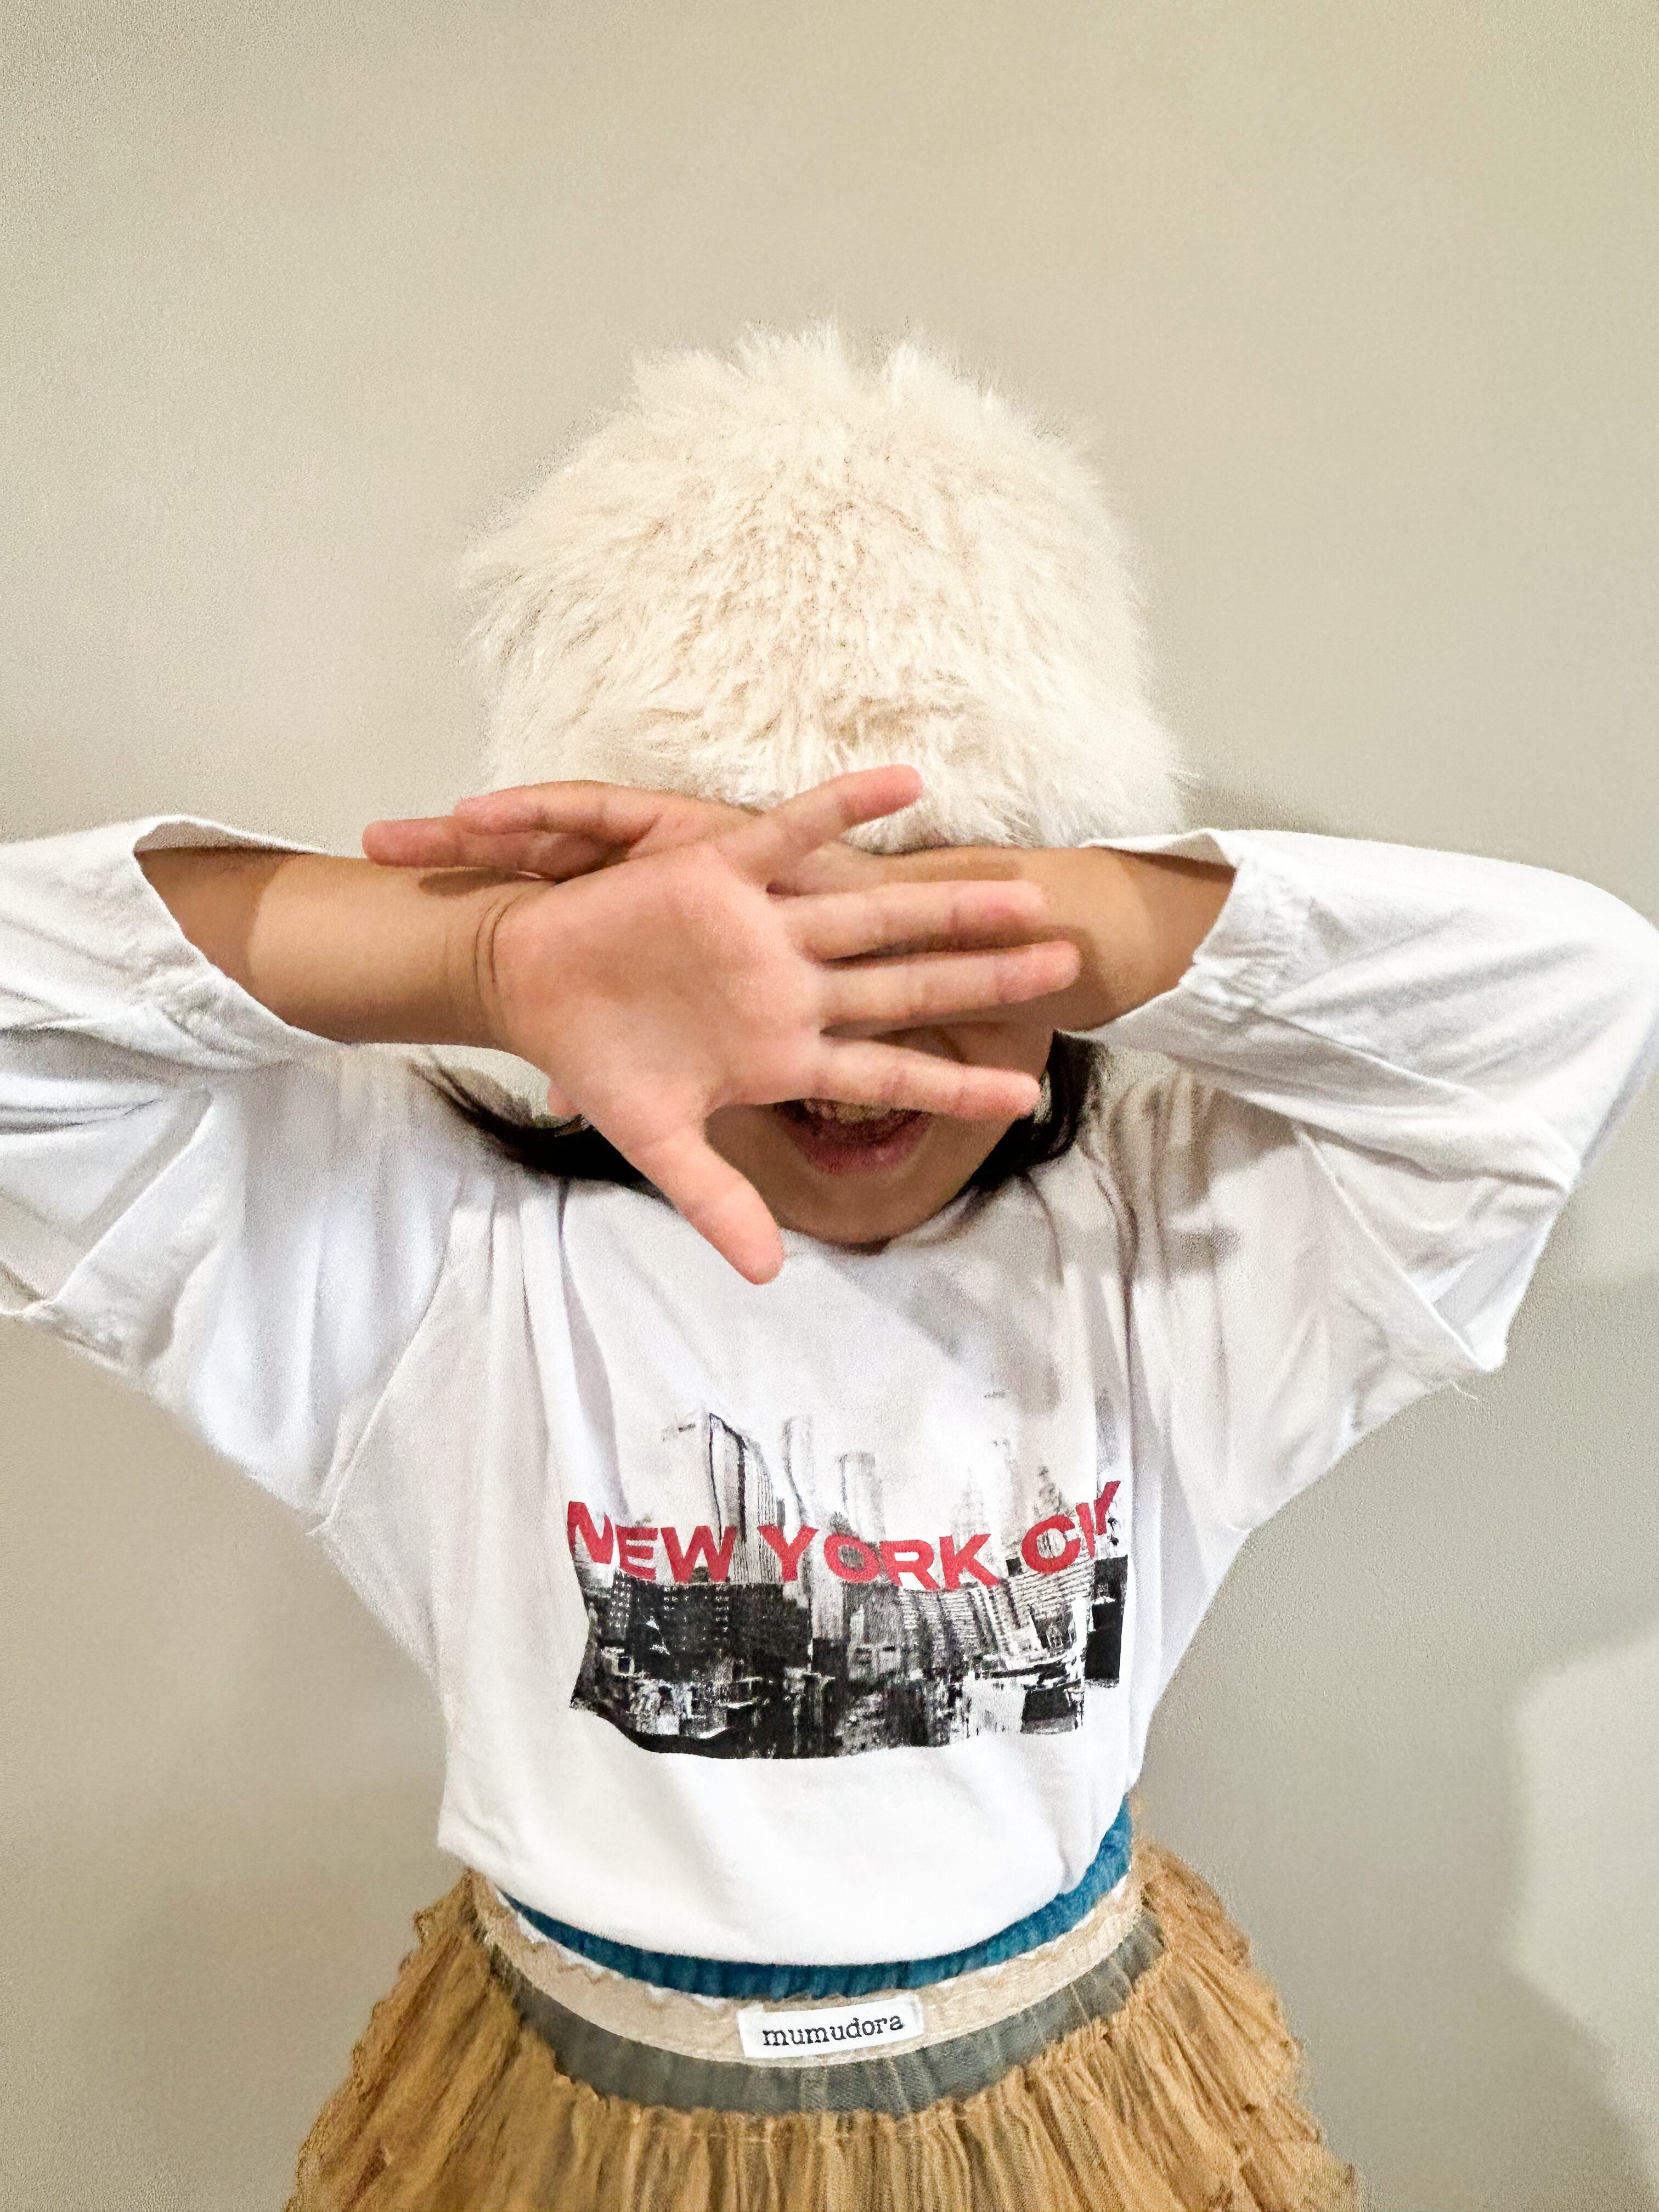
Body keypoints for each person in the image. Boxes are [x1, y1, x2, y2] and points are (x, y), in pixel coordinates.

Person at [4, 329, 1657, 2212]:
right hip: (571, 2126)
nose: (840, 1046)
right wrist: (483, 959)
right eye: (741, 961)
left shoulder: (1178, 1256)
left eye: (927, 945)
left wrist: (1056, 894)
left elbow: (1578, 998)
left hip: (1076, 2104)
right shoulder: (434, 1263)